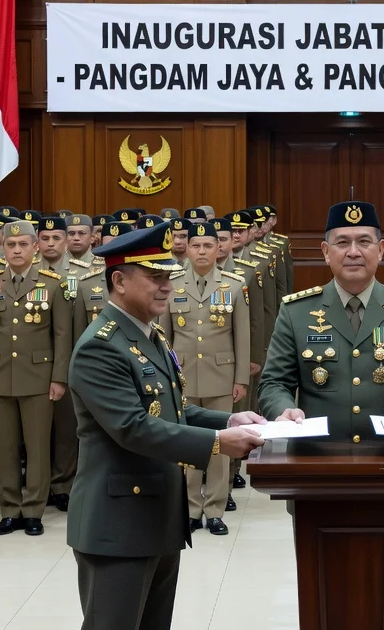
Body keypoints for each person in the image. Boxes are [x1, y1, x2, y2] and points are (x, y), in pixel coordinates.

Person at [67, 220, 266, 630]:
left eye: (168, 277)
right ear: (119, 281)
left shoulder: (147, 336)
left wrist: (228, 418)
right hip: (118, 524)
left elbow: (169, 411)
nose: (167, 287)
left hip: (155, 517)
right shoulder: (101, 348)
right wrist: (216, 442)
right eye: (155, 277)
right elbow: (133, 428)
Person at [257, 201, 384, 442]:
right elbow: (273, 383)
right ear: (326, 251)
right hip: (317, 456)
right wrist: (283, 410)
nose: (354, 252)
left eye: (364, 242)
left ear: (381, 250)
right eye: (342, 242)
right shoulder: (296, 311)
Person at [0, 220, 73, 536]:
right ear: (3, 248)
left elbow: (62, 335)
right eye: (11, 245)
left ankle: (33, 510)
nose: (16, 250)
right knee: (4, 448)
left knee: (37, 447)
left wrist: (59, 378)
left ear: (35, 247)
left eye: (22, 245)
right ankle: (9, 510)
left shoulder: (52, 283)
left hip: (39, 377)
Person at [160, 219, 251, 535]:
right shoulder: (171, 283)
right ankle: (189, 509)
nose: (201, 251)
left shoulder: (234, 284)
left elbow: (242, 336)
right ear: (186, 248)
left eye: (208, 245)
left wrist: (241, 379)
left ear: (218, 249)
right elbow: (164, 337)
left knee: (220, 446)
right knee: (185, 445)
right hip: (182, 377)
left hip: (221, 375)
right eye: (195, 245)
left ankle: (214, 509)